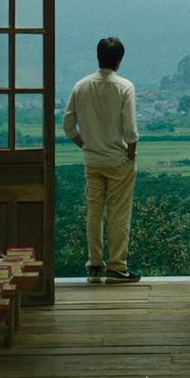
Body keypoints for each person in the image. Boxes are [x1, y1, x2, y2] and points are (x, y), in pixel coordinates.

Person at [62, 36, 141, 283]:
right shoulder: (124, 87)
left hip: (92, 161)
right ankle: (117, 266)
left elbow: (67, 126)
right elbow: (130, 131)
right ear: (119, 61)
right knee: (118, 214)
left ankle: (94, 265)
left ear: (98, 57)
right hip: (118, 161)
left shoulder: (81, 86)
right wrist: (131, 154)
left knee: (94, 211)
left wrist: (85, 145)